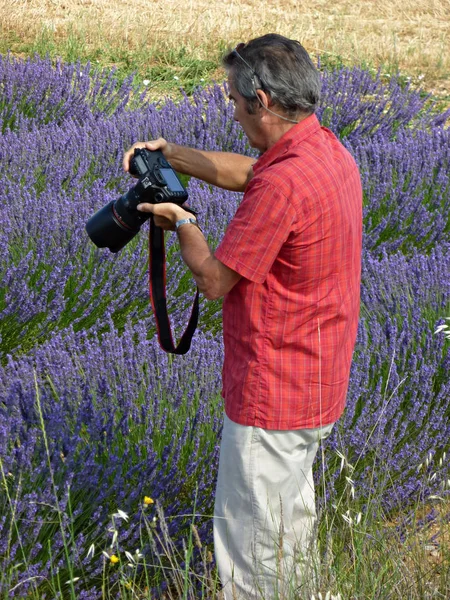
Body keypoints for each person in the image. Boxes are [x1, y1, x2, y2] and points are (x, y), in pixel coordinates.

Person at [123, 33, 362, 599]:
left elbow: (212, 279)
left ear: (262, 100)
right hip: (317, 383)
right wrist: (174, 156)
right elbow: (248, 173)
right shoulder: (325, 152)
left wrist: (179, 221)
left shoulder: (283, 185)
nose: (232, 113)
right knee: (288, 535)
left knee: (252, 559)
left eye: (234, 100)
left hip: (271, 395)